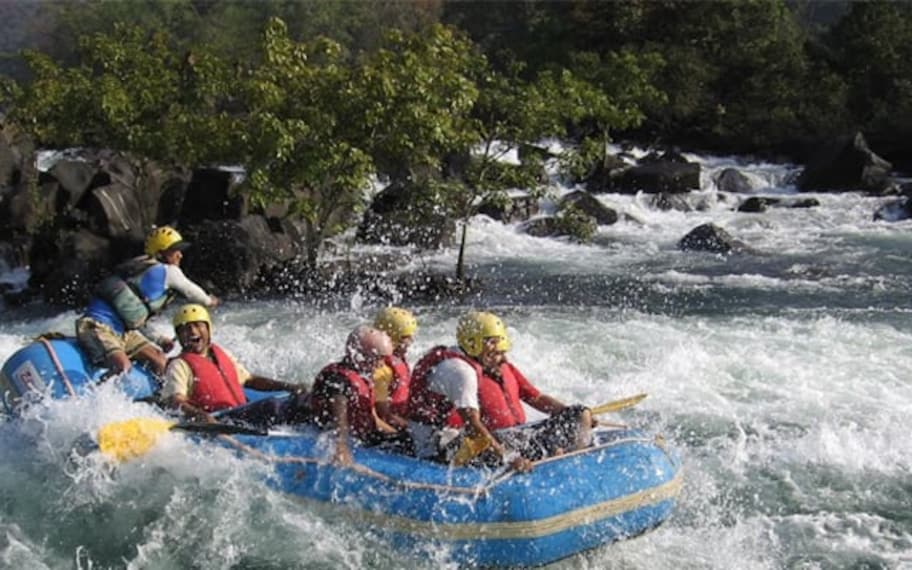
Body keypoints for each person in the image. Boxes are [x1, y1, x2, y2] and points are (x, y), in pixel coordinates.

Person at [406, 311, 594, 472]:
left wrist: (569, 413)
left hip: (472, 435)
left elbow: (536, 397)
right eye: (493, 350)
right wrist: (509, 458)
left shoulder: (477, 362)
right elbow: (473, 428)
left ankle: (572, 460)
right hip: (439, 447)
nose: (502, 357)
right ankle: (555, 460)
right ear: (473, 344)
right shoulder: (462, 372)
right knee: (516, 443)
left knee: (579, 413)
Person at [75, 226, 219, 376]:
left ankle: (165, 391)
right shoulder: (169, 271)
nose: (180, 255)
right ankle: (97, 390)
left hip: (124, 333)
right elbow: (191, 291)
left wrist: (160, 340)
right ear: (160, 254)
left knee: (160, 360)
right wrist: (209, 301)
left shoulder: (144, 276)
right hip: (96, 327)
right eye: (174, 250)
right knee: (123, 366)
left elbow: (135, 318)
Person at [160, 303, 305, 425]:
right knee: (272, 406)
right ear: (179, 336)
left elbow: (250, 380)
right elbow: (174, 400)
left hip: (241, 411)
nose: (192, 331)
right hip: (221, 420)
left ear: (208, 329)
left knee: (300, 400)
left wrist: (289, 386)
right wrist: (198, 415)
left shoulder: (221, 354)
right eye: (186, 328)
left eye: (198, 325)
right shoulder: (179, 365)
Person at [310, 325, 401, 465]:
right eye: (379, 359)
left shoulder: (364, 377)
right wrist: (341, 446)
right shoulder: (337, 380)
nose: (382, 365)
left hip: (360, 436)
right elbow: (338, 415)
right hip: (325, 432)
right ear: (360, 356)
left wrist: (398, 434)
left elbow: (373, 418)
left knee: (404, 441)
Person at [371, 307, 418, 430]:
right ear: (393, 338)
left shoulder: (398, 360)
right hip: (390, 423)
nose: (411, 341)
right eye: (406, 337)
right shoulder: (381, 370)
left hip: (401, 415)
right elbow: (383, 414)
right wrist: (411, 428)